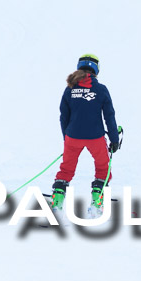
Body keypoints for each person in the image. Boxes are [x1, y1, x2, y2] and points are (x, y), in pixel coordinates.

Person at [51, 54, 120, 213]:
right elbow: (109, 116)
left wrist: (66, 137)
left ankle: (57, 204)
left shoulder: (70, 88)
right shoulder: (101, 89)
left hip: (72, 137)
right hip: (95, 137)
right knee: (103, 168)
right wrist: (114, 139)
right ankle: (96, 204)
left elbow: (63, 116)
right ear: (96, 69)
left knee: (66, 169)